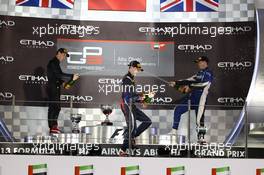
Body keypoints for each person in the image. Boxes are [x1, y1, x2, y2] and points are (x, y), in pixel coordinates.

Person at [168, 56, 213, 143]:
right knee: (178, 109)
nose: (199, 64)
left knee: (199, 120)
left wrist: (190, 86)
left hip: (201, 100)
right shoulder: (199, 73)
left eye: (200, 62)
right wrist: (176, 83)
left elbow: (204, 84)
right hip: (192, 98)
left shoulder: (209, 73)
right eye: (198, 63)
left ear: (205, 63)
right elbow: (188, 80)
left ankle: (201, 138)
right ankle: (174, 131)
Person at [120, 60, 155, 156]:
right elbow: (128, 97)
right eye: (136, 69)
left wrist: (146, 98)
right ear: (131, 67)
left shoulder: (131, 79)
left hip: (131, 105)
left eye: (138, 69)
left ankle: (131, 139)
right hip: (127, 105)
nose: (137, 71)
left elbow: (133, 95)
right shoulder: (127, 79)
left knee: (147, 121)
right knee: (132, 128)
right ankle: (123, 150)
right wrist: (144, 97)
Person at [47, 48, 79, 134]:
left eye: (65, 56)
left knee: (55, 107)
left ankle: (53, 127)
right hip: (53, 87)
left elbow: (58, 77)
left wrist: (65, 83)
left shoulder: (56, 63)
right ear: (58, 53)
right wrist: (72, 77)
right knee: (55, 107)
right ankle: (52, 127)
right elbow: (59, 75)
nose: (64, 57)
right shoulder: (53, 62)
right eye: (63, 55)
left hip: (55, 87)